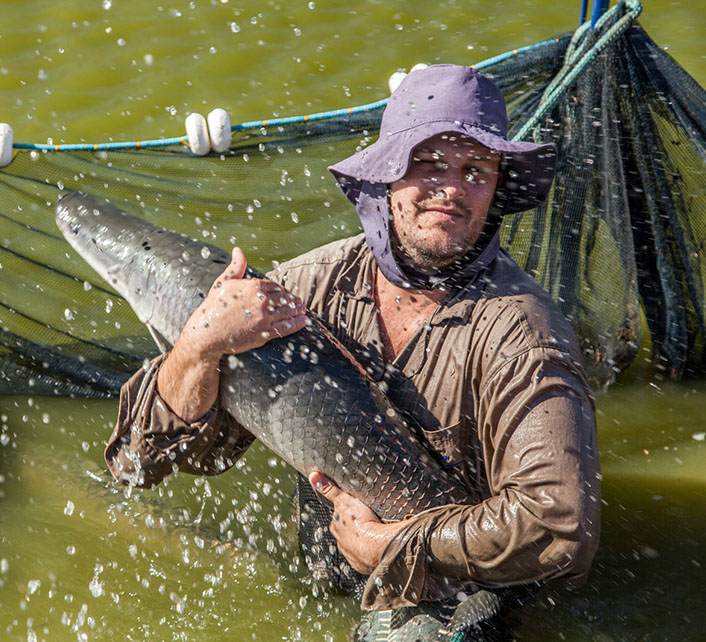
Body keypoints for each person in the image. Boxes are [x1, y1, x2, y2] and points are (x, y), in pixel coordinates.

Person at [104, 65, 601, 640]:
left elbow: (562, 527)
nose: (453, 189)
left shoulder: (523, 333)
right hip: (330, 581)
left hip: (469, 602)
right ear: (386, 172)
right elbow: (138, 462)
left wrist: (394, 545)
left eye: (475, 171)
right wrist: (196, 349)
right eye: (430, 163)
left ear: (496, 188)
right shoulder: (304, 289)